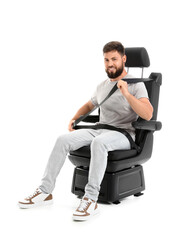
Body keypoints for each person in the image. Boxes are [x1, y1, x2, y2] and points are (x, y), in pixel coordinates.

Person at [18, 41, 153, 221]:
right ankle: (45, 192)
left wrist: (127, 94)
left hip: (123, 134)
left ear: (124, 59)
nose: (110, 63)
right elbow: (89, 105)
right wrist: (74, 118)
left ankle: (90, 199)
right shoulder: (102, 85)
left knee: (99, 143)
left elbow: (148, 114)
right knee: (62, 139)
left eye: (114, 59)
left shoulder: (137, 84)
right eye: (106, 60)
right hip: (100, 130)